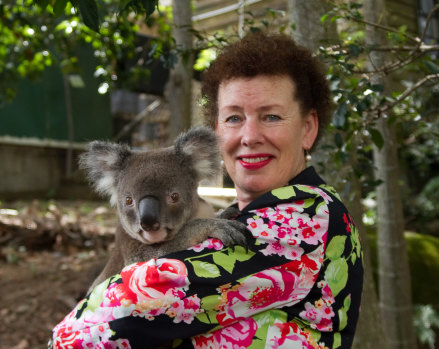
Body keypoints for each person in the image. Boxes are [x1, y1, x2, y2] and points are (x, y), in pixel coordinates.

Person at [50, 31, 363, 349]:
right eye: (233, 118)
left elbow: (135, 302)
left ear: (308, 129)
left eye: (271, 116)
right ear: (215, 134)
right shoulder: (247, 216)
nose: (249, 135)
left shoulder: (306, 217)